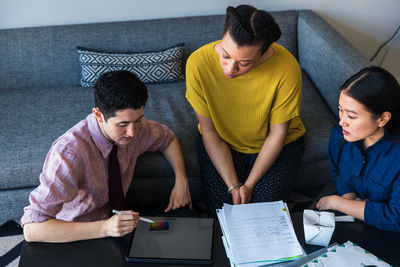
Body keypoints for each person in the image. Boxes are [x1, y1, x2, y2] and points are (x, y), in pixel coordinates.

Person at [21, 70, 192, 242]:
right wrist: (104, 228)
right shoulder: (69, 153)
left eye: (138, 120)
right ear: (98, 115)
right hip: (76, 236)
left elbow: (167, 138)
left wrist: (181, 180)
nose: (132, 133)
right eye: (122, 124)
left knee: (178, 239)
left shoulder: (136, 128)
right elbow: (32, 229)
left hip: (119, 227)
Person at [185, 5, 305, 211]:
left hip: (276, 144)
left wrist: (248, 185)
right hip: (221, 141)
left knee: (262, 211)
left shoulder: (286, 67)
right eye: (225, 54)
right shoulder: (197, 63)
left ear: (265, 52)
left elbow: (277, 134)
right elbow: (209, 130)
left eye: (244, 63)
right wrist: (233, 185)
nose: (230, 69)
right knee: (224, 210)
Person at [316, 66, 400, 232]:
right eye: (341, 110)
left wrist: (337, 203)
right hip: (355, 222)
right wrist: (350, 200)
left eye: (352, 116)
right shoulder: (341, 135)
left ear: (382, 118)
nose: (342, 122)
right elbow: (338, 173)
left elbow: (395, 217)